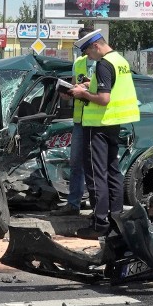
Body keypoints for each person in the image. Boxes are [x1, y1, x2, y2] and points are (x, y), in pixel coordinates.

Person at [68, 29, 140, 239]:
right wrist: (87, 86)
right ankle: (116, 220)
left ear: (96, 46)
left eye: (88, 51)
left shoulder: (103, 64)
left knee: (96, 175)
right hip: (113, 124)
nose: (87, 56)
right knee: (113, 172)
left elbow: (104, 98)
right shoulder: (120, 61)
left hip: (98, 125)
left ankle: (99, 224)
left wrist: (82, 93)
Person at [51, 27, 96, 216]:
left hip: (99, 122)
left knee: (96, 165)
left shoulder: (105, 63)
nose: (81, 48)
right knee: (76, 163)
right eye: (79, 44)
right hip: (80, 121)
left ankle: (98, 207)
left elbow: (106, 92)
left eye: (84, 44)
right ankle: (74, 204)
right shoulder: (78, 63)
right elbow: (73, 88)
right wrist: (67, 93)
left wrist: (87, 86)